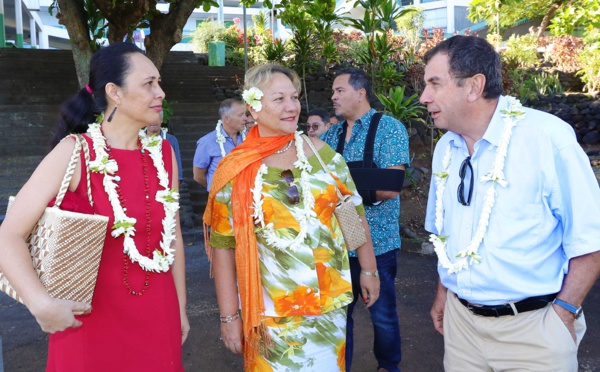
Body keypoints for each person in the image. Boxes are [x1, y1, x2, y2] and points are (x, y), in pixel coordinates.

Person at [0, 42, 189, 371]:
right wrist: (39, 303)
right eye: (149, 84)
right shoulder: (75, 152)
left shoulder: (164, 155)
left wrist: (181, 308)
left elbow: (172, 239)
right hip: (88, 322)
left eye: (159, 82)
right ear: (115, 92)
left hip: (159, 314)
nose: (160, 92)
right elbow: (9, 235)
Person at [422, 35, 600, 371]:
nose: (424, 97)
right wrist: (444, 291)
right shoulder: (446, 148)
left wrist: (564, 311)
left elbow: (591, 238)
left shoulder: (547, 139)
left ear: (473, 86)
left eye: (434, 83)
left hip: (534, 332)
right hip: (461, 329)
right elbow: (445, 232)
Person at [203, 64, 380, 371]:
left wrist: (369, 270)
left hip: (328, 310)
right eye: (279, 99)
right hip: (270, 314)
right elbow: (223, 246)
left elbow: (352, 215)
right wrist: (230, 316)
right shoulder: (235, 170)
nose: (291, 107)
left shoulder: (324, 156)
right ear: (253, 107)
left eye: (294, 97)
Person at [321, 68, 409, 372]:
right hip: (337, 246)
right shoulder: (329, 134)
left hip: (380, 243)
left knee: (382, 315)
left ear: (361, 93)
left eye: (339, 90)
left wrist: (342, 190)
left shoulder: (390, 129)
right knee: (337, 317)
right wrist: (362, 188)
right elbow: (318, 186)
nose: (333, 97)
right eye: (332, 91)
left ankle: (388, 367)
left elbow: (389, 187)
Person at [193, 98, 249, 191]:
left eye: (245, 114)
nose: (246, 119)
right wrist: (217, 190)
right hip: (221, 200)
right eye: (240, 115)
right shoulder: (207, 142)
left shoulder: (249, 137)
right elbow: (198, 176)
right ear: (227, 119)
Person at [147, 121, 183, 187]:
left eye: (156, 119)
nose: (153, 122)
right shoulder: (136, 140)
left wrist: (173, 194)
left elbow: (178, 175)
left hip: (165, 188)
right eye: (150, 119)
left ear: (161, 120)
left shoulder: (171, 140)